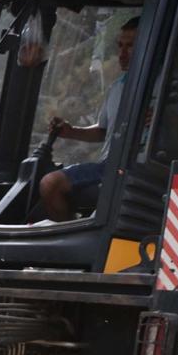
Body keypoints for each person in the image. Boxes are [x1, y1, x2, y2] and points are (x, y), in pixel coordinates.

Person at [39, 17, 139, 221]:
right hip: (109, 164)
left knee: (51, 183)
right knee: (48, 184)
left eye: (130, 46)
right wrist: (71, 131)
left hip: (136, 168)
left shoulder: (165, 86)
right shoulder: (118, 87)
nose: (123, 53)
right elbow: (104, 131)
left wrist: (165, 119)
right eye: (120, 46)